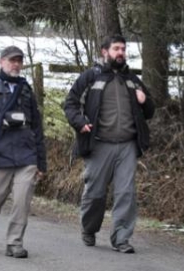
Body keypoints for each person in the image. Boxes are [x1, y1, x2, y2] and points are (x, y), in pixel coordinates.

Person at [64, 34, 154, 254]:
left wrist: (145, 101)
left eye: (123, 48)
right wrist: (80, 122)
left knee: (126, 193)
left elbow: (150, 111)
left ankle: (121, 238)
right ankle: (89, 228)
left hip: (127, 145)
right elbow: (70, 104)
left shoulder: (132, 79)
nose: (121, 52)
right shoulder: (90, 77)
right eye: (116, 48)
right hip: (99, 144)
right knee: (95, 194)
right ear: (105, 52)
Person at [0, 46, 46, 259]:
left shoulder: (26, 91)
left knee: (22, 201)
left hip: (26, 156)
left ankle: (14, 243)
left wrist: (41, 163)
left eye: (19, 61)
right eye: (12, 60)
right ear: (1, 61)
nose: (16, 64)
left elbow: (37, 128)